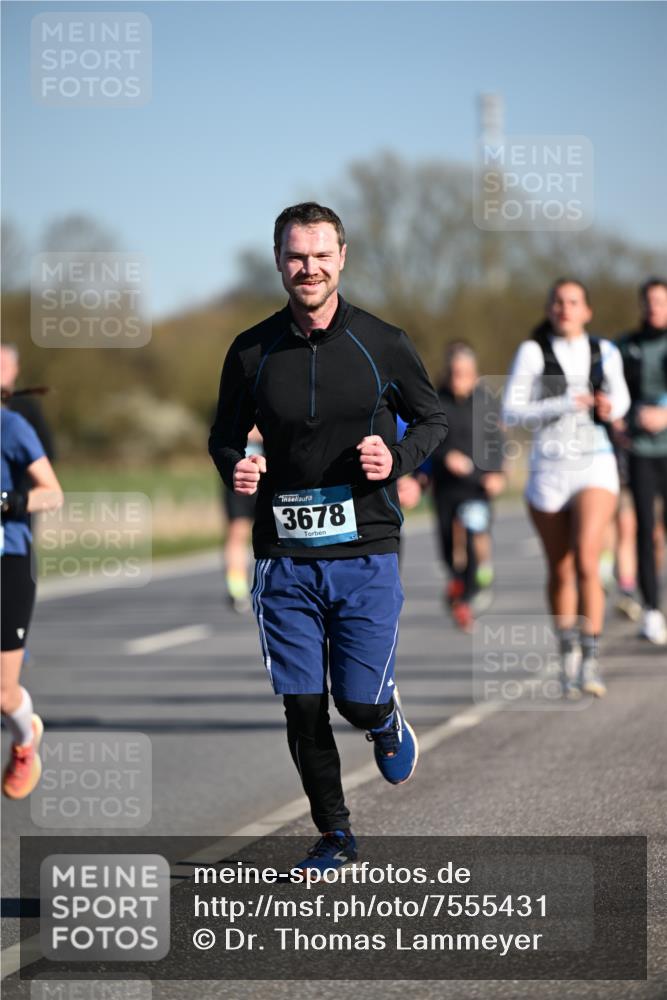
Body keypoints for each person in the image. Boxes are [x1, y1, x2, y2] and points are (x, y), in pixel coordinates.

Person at [209, 202, 447, 875]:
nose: (306, 267)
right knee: (303, 703)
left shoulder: (383, 342)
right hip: (283, 555)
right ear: (278, 261)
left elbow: (431, 420)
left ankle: (382, 719)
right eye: (295, 256)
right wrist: (238, 465)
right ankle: (334, 834)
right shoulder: (251, 351)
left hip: (366, 548)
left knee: (355, 698)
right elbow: (222, 435)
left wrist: (397, 461)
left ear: (341, 259)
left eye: (319, 255)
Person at [503, 279, 630, 698]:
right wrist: (564, 402)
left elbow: (623, 400)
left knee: (587, 562)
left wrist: (610, 407)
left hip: (594, 462)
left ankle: (591, 659)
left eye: (573, 302)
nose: (565, 308)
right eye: (557, 302)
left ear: (587, 311)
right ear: (549, 308)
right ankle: (568, 655)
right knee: (560, 568)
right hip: (550, 468)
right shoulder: (534, 351)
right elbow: (511, 409)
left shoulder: (604, 351)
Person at [1, 391, 63, 798]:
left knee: (2, 693)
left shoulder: (10, 426)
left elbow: (51, 493)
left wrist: (8, 501)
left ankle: (26, 738)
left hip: (8, 560)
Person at [428, 342, 505, 631]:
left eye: (465, 373)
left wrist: (498, 473)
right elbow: (426, 441)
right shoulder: (436, 402)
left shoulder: (486, 401)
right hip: (447, 485)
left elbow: (497, 442)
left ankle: (466, 598)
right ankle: (457, 582)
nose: (459, 378)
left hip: (478, 486)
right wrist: (446, 455)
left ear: (475, 374)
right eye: (454, 373)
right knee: (449, 546)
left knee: (473, 539)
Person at [617, 278, 667, 644]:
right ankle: (651, 609)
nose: (654, 307)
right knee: (645, 531)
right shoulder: (625, 346)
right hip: (640, 453)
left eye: (661, 302)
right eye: (648, 301)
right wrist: (618, 423)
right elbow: (606, 388)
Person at [222, 426, 263, 613]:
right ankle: (237, 590)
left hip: (270, 476)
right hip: (241, 476)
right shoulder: (234, 398)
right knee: (237, 532)